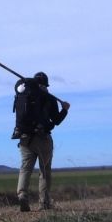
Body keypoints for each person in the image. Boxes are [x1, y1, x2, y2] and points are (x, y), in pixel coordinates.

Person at [16, 72, 70, 212]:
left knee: (25, 168)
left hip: (24, 137)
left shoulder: (24, 94)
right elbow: (56, 120)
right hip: (42, 138)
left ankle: (22, 195)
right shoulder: (49, 98)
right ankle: (44, 203)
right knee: (44, 170)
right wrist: (64, 109)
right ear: (46, 85)